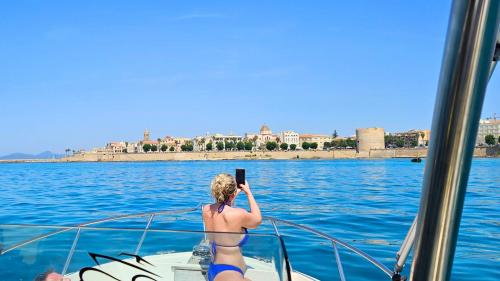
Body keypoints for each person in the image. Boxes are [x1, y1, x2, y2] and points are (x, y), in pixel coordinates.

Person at [202, 173, 262, 281]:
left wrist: (234, 193)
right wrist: (248, 192)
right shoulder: (238, 214)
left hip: (214, 267)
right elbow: (257, 220)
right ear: (232, 195)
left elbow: (222, 207)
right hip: (230, 273)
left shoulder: (206, 210)